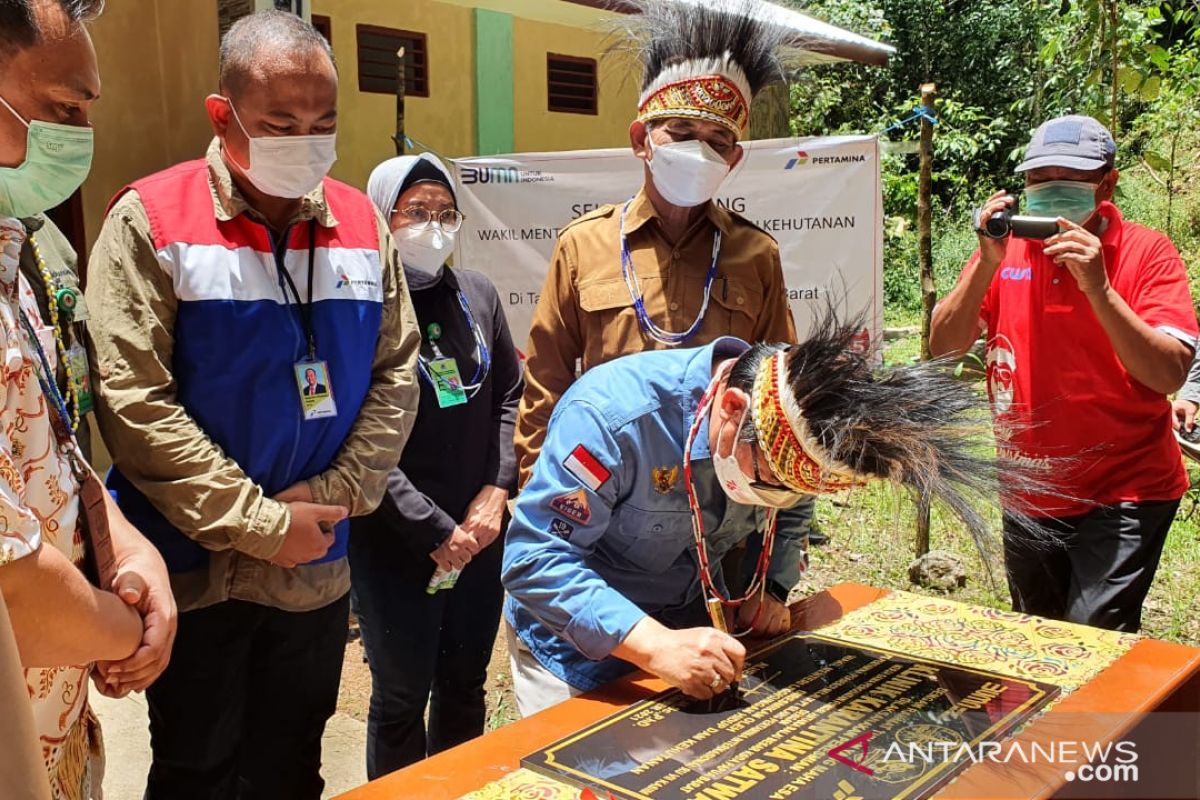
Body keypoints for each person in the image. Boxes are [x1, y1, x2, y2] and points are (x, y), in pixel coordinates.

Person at [84, 11, 419, 798]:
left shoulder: (363, 224)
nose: (305, 139)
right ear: (221, 114)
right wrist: (262, 524)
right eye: (279, 123)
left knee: (291, 767)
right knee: (196, 770)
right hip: (194, 571)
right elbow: (134, 401)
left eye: (324, 122)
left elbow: (398, 371)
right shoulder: (153, 221)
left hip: (315, 565)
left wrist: (326, 501)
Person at [504, 318, 1026, 716]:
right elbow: (534, 560)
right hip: (572, 648)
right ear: (732, 409)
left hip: (691, 634)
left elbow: (794, 512)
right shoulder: (615, 418)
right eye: (770, 481)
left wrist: (771, 590)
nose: (780, 496)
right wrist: (653, 643)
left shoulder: (792, 437)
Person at [513, 0, 817, 601]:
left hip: (721, 510)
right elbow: (544, 384)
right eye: (681, 134)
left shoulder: (756, 256)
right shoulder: (584, 245)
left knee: (715, 672)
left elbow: (780, 390)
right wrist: (542, 504)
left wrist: (775, 550)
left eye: (717, 139)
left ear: (734, 157)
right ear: (641, 139)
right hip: (606, 505)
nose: (698, 151)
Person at [0, 1, 176, 796]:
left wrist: (132, 553)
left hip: (54, 738)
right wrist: (128, 629)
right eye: (61, 108)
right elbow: (16, 595)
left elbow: (54, 449)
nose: (77, 134)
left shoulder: (18, 256)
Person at [930, 114, 1198, 632]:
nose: (1050, 191)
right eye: (1038, 179)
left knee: (1093, 636)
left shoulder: (1147, 252)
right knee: (1037, 633)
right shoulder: (1005, 250)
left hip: (1126, 486)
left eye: (1068, 179)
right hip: (1029, 485)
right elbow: (943, 348)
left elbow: (1168, 373)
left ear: (1107, 182)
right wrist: (986, 262)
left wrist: (1098, 287)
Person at [351, 152, 523, 777]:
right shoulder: (360, 303)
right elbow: (353, 431)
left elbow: (508, 392)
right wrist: (431, 529)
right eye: (416, 212)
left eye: (446, 213)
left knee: (465, 685)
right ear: (380, 217)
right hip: (396, 537)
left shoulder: (475, 293)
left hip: (478, 539)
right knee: (400, 698)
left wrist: (496, 491)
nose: (434, 226)